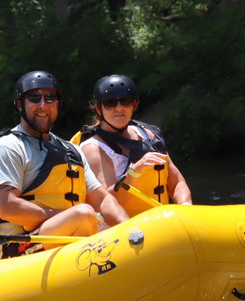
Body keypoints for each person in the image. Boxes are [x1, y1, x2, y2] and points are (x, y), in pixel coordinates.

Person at [0, 70, 129, 248]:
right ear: (20, 105)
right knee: (83, 215)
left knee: (86, 217)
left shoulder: (71, 150)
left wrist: (128, 228)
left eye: (50, 98)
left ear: (57, 104)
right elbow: (7, 207)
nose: (43, 105)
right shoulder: (8, 147)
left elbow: (102, 200)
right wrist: (64, 216)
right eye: (35, 98)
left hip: (69, 239)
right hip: (21, 246)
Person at [79, 74, 192, 205]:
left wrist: (185, 204)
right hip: (124, 223)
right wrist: (134, 173)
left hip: (159, 220)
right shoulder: (93, 149)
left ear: (134, 105)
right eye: (110, 103)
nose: (119, 108)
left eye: (125, 102)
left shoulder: (149, 136)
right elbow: (105, 204)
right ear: (99, 109)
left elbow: (177, 182)